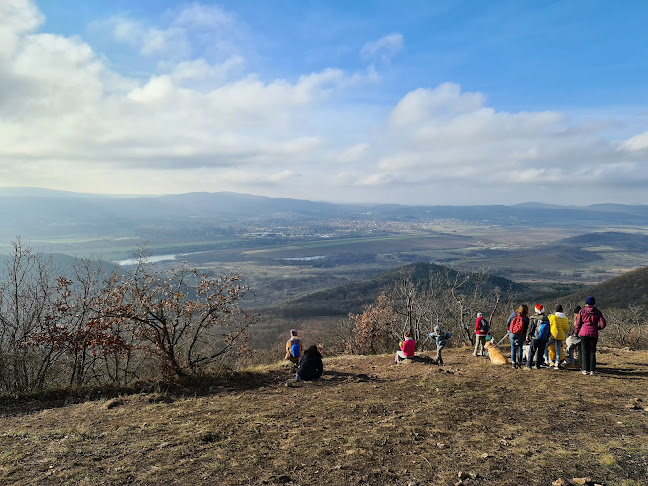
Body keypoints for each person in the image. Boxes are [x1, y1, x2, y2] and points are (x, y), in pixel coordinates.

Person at [574, 296, 606, 376]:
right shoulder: (597, 312)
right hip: (594, 333)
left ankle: (585, 369)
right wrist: (597, 328)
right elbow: (603, 324)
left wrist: (576, 333)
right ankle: (592, 370)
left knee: (585, 351)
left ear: (586, 303)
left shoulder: (582, 311)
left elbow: (578, 323)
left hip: (583, 332)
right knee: (592, 351)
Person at [525, 304, 550, 370]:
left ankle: (529, 365)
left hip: (535, 337)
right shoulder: (546, 318)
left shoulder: (534, 318)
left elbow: (530, 328)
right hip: (544, 338)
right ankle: (537, 365)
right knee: (540, 352)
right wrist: (548, 337)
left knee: (532, 351)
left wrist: (527, 335)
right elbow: (549, 328)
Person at [546, 304, 569, 369]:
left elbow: (549, 324)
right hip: (561, 336)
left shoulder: (553, 317)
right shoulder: (565, 318)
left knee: (546, 346)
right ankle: (557, 362)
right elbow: (566, 328)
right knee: (558, 348)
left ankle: (548, 360)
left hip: (553, 335)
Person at [506, 304, 529, 369]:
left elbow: (508, 322)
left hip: (512, 333)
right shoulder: (526, 318)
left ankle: (513, 363)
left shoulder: (514, 314)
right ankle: (519, 364)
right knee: (520, 348)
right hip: (521, 334)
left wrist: (508, 329)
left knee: (513, 348)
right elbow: (527, 328)